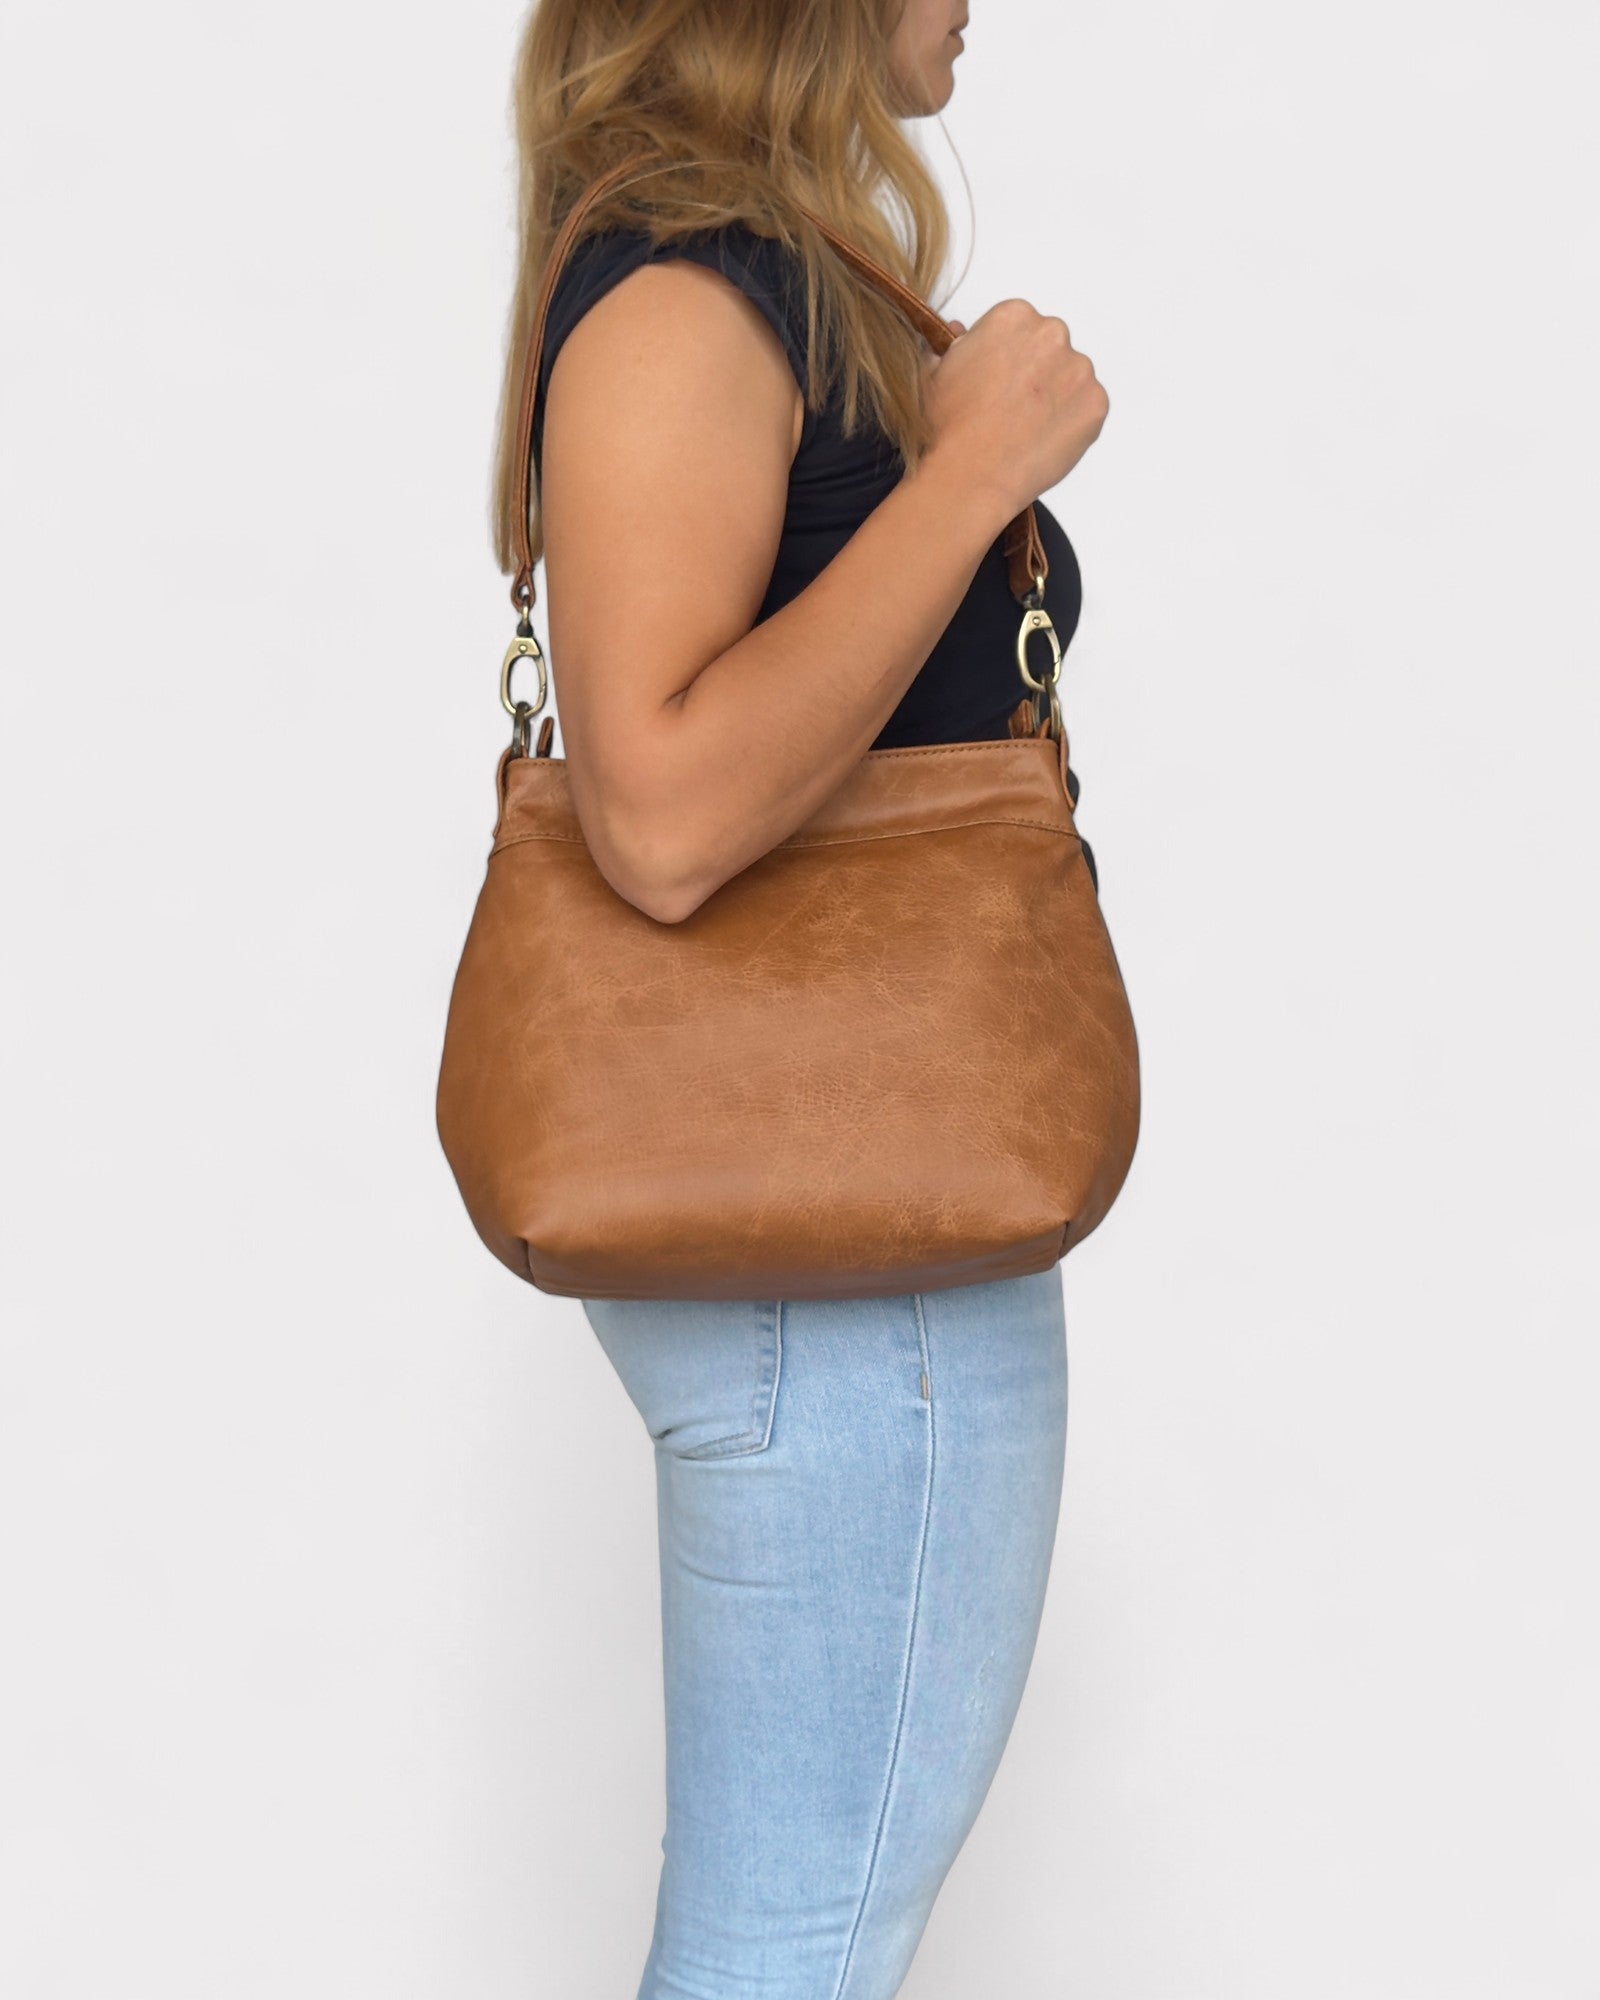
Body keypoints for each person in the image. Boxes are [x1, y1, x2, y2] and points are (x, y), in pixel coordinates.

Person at [490, 3, 1112, 1993]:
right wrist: (968, 480)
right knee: (789, 1954)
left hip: (841, 1261)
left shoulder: (747, 265)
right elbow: (657, 814)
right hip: (846, 1280)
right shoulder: (689, 287)